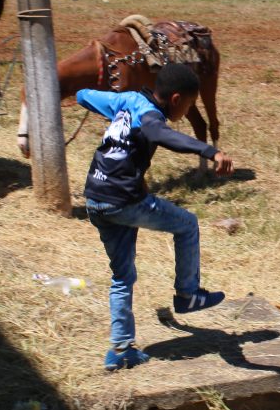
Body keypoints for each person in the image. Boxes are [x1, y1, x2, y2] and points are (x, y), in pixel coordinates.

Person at [77, 64, 235, 371]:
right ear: (176, 99)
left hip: (96, 199)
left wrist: (106, 103)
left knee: (122, 276)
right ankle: (188, 294)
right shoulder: (151, 115)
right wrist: (211, 152)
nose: (186, 112)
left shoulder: (126, 101)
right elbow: (159, 133)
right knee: (187, 224)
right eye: (189, 105)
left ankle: (120, 350)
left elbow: (83, 95)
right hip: (123, 201)